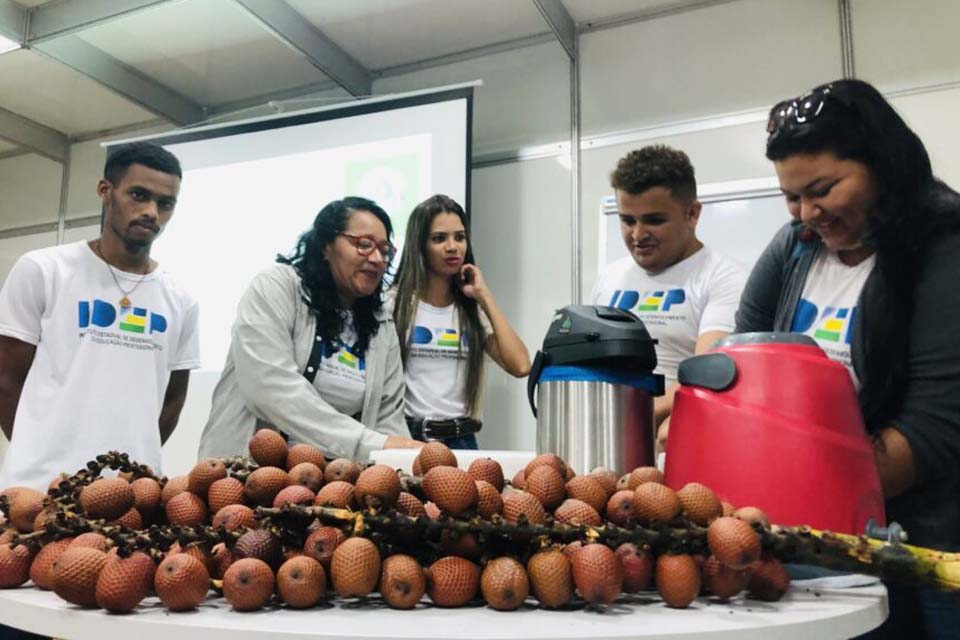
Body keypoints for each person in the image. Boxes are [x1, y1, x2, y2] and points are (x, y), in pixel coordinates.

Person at [738, 79, 960, 639]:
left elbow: (932, 433)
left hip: (930, 544)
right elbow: (743, 360)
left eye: (824, 189)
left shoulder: (945, 245)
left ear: (883, 165)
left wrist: (786, 493)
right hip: (821, 534)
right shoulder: (795, 247)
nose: (808, 213)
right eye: (792, 196)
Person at [0, 142, 199, 491]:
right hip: (40, 486)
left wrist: (130, 470)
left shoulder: (181, 298)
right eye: (138, 195)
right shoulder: (44, 269)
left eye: (165, 204)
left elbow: (173, 399)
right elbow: (5, 379)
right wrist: (35, 452)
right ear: (105, 191)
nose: (152, 211)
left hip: (131, 493)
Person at [199, 197, 421, 461]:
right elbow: (269, 388)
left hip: (333, 486)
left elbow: (388, 420)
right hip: (245, 477)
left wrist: (401, 461)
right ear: (326, 246)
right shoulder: (277, 286)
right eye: (363, 245)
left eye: (385, 251)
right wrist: (371, 445)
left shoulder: (380, 322)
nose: (376, 259)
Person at [590, 145, 747, 446]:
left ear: (692, 213)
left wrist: (627, 418)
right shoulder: (609, 277)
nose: (637, 234)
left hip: (681, 447)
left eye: (654, 220)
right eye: (627, 220)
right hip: (608, 442)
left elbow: (707, 371)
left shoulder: (726, 278)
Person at [390, 194, 530, 449]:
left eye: (459, 237)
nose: (452, 246)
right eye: (439, 238)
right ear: (419, 245)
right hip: (410, 437)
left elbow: (520, 365)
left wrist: (484, 295)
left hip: (463, 440)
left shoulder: (470, 310)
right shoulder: (394, 304)